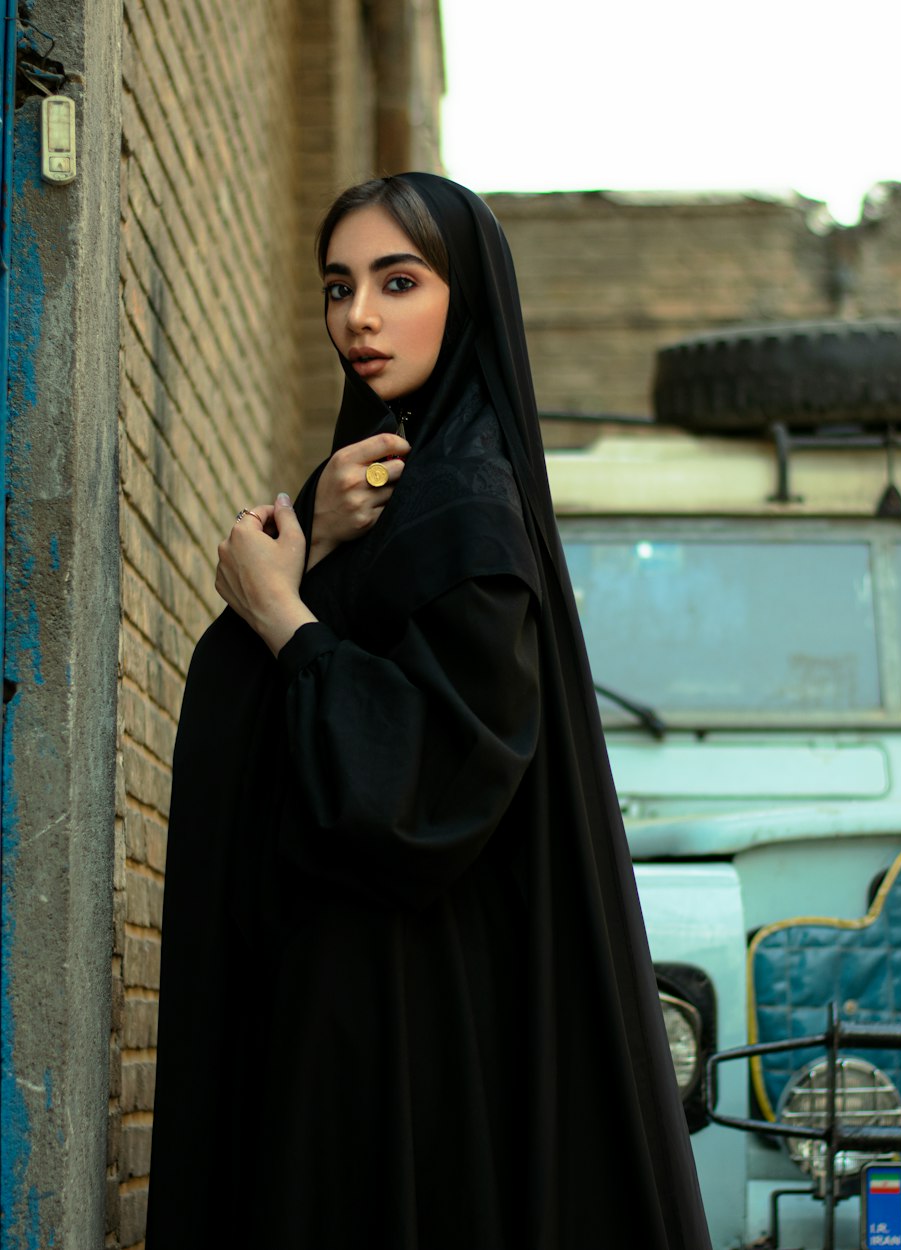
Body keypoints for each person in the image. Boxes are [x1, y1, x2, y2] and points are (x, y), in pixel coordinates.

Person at [145, 173, 710, 1250]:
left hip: (407, 1028)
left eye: (398, 281)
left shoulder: (465, 506)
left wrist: (280, 612)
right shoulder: (401, 487)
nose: (357, 317)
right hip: (375, 1009)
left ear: (470, 299)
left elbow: (422, 785)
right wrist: (311, 537)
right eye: (337, 286)